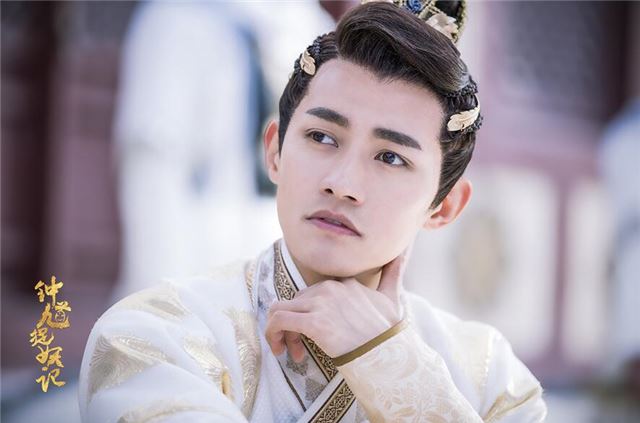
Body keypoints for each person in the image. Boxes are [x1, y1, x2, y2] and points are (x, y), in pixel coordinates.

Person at [78, 1, 547, 421]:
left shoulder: (492, 378)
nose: (342, 184)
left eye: (390, 158)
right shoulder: (151, 338)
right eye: (322, 137)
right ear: (275, 151)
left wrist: (390, 365)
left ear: (444, 206)